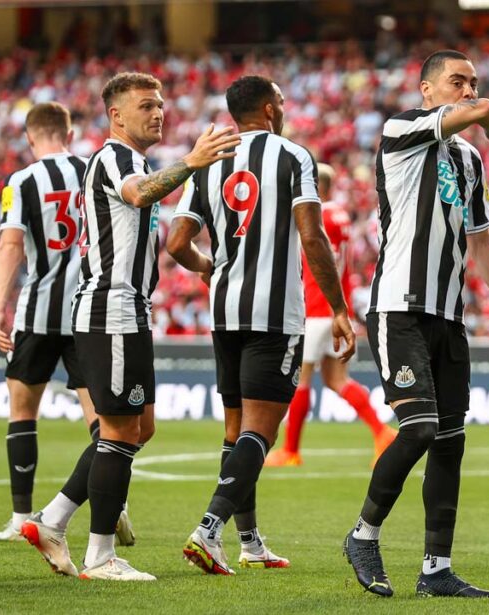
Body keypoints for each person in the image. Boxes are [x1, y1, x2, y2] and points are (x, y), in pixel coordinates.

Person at [19, 72, 240, 581]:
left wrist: (204, 265)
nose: (157, 112)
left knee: (140, 427)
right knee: (119, 431)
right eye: (146, 105)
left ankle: (51, 520)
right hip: (110, 308)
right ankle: (100, 556)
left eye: (160, 104)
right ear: (116, 115)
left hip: (129, 310)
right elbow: (139, 195)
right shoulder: (114, 157)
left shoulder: (134, 160)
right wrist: (191, 162)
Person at [343, 50, 489, 599]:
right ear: (427, 90)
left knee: (450, 443)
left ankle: (436, 569)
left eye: (474, 82)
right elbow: (486, 110)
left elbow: (481, 241)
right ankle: (363, 535)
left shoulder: (470, 161)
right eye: (458, 81)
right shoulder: (401, 130)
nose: (470, 90)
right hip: (400, 309)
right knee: (420, 429)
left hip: (448, 317)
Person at [167, 75, 355, 576]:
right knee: (260, 432)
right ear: (270, 109)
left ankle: (249, 542)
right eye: (283, 102)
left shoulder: (208, 162)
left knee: (236, 432)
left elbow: (177, 243)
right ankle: (208, 530)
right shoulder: (293, 157)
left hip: (225, 311)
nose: (286, 109)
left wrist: (209, 267)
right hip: (274, 315)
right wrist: (338, 308)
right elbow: (311, 236)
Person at [0, 102, 134, 552]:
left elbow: (11, 244)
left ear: (30, 138)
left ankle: (20, 518)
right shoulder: (93, 168)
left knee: (22, 411)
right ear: (69, 133)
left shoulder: (21, 181)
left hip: (38, 313)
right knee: (103, 421)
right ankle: (114, 501)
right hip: (88, 311)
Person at [265, 163, 396, 468]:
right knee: (337, 379)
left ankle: (291, 451)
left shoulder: (317, 213)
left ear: (315, 186)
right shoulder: (340, 215)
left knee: (300, 380)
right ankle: (381, 432)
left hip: (315, 306)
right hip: (337, 308)